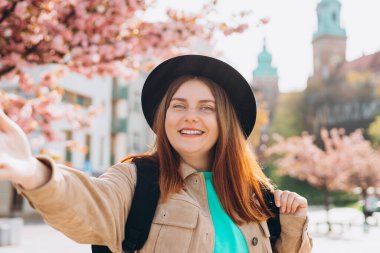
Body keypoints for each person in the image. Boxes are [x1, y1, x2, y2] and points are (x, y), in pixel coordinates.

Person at [0, 55, 312, 253]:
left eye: (207, 108)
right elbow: (88, 205)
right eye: (179, 106)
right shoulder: (136, 181)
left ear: (225, 122)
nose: (190, 116)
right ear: (164, 117)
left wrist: (293, 221)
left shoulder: (256, 196)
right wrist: (33, 172)